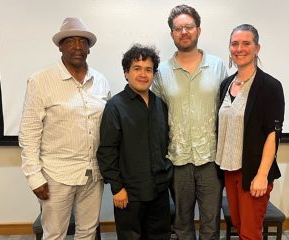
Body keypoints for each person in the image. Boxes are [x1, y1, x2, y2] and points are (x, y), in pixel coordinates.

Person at [19, 17, 111, 240]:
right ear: (60, 46)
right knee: (54, 234)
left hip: (93, 173)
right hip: (56, 175)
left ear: (89, 48)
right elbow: (29, 131)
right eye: (70, 41)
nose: (77, 47)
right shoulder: (41, 80)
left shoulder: (100, 81)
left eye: (83, 41)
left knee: (88, 232)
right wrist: (34, 177)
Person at [152, 4, 228, 240]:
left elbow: (226, 111)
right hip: (177, 159)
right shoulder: (161, 72)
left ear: (198, 30)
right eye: (178, 28)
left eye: (189, 27)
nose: (184, 32)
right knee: (182, 223)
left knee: (211, 223)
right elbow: (156, 117)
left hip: (211, 159)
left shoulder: (217, 66)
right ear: (172, 34)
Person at [216, 24, 285, 240]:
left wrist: (262, 175)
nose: (240, 48)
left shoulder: (270, 86)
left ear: (257, 48)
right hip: (229, 169)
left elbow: (273, 134)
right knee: (238, 225)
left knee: (250, 233)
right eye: (234, 44)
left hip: (254, 171)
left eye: (246, 43)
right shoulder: (226, 84)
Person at [97, 44, 173, 240]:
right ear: (126, 73)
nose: (143, 74)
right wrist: (117, 188)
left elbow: (164, 144)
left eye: (148, 69)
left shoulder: (160, 104)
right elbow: (107, 151)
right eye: (136, 68)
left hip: (159, 190)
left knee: (161, 236)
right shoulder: (115, 106)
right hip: (129, 193)